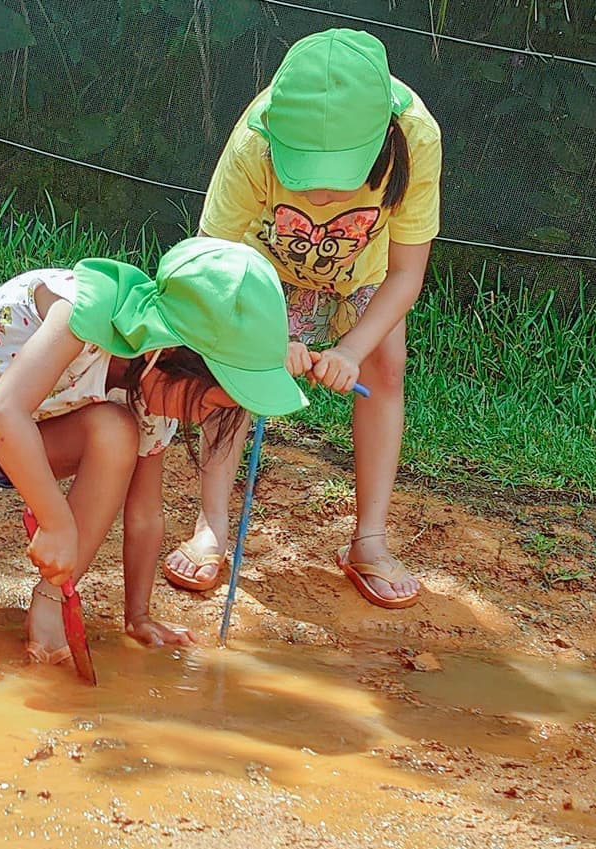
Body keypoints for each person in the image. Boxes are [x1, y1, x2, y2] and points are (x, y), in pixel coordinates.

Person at [0, 238, 305, 665]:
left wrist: (138, 615)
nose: (199, 419)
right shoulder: (83, 309)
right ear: (170, 355)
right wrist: (56, 522)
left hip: (30, 439)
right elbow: (3, 412)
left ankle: (50, 605)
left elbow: (145, 513)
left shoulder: (154, 392)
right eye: (207, 405)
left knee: (117, 432)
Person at [174, 28, 441, 609]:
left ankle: (369, 540)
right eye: (302, 173)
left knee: (386, 367)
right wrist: (263, 339)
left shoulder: (416, 136)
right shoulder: (254, 140)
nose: (319, 194)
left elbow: (405, 275)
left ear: (381, 142)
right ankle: (211, 525)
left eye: (336, 175)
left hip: (367, 271)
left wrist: (349, 350)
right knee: (233, 372)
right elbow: (211, 260)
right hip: (263, 266)